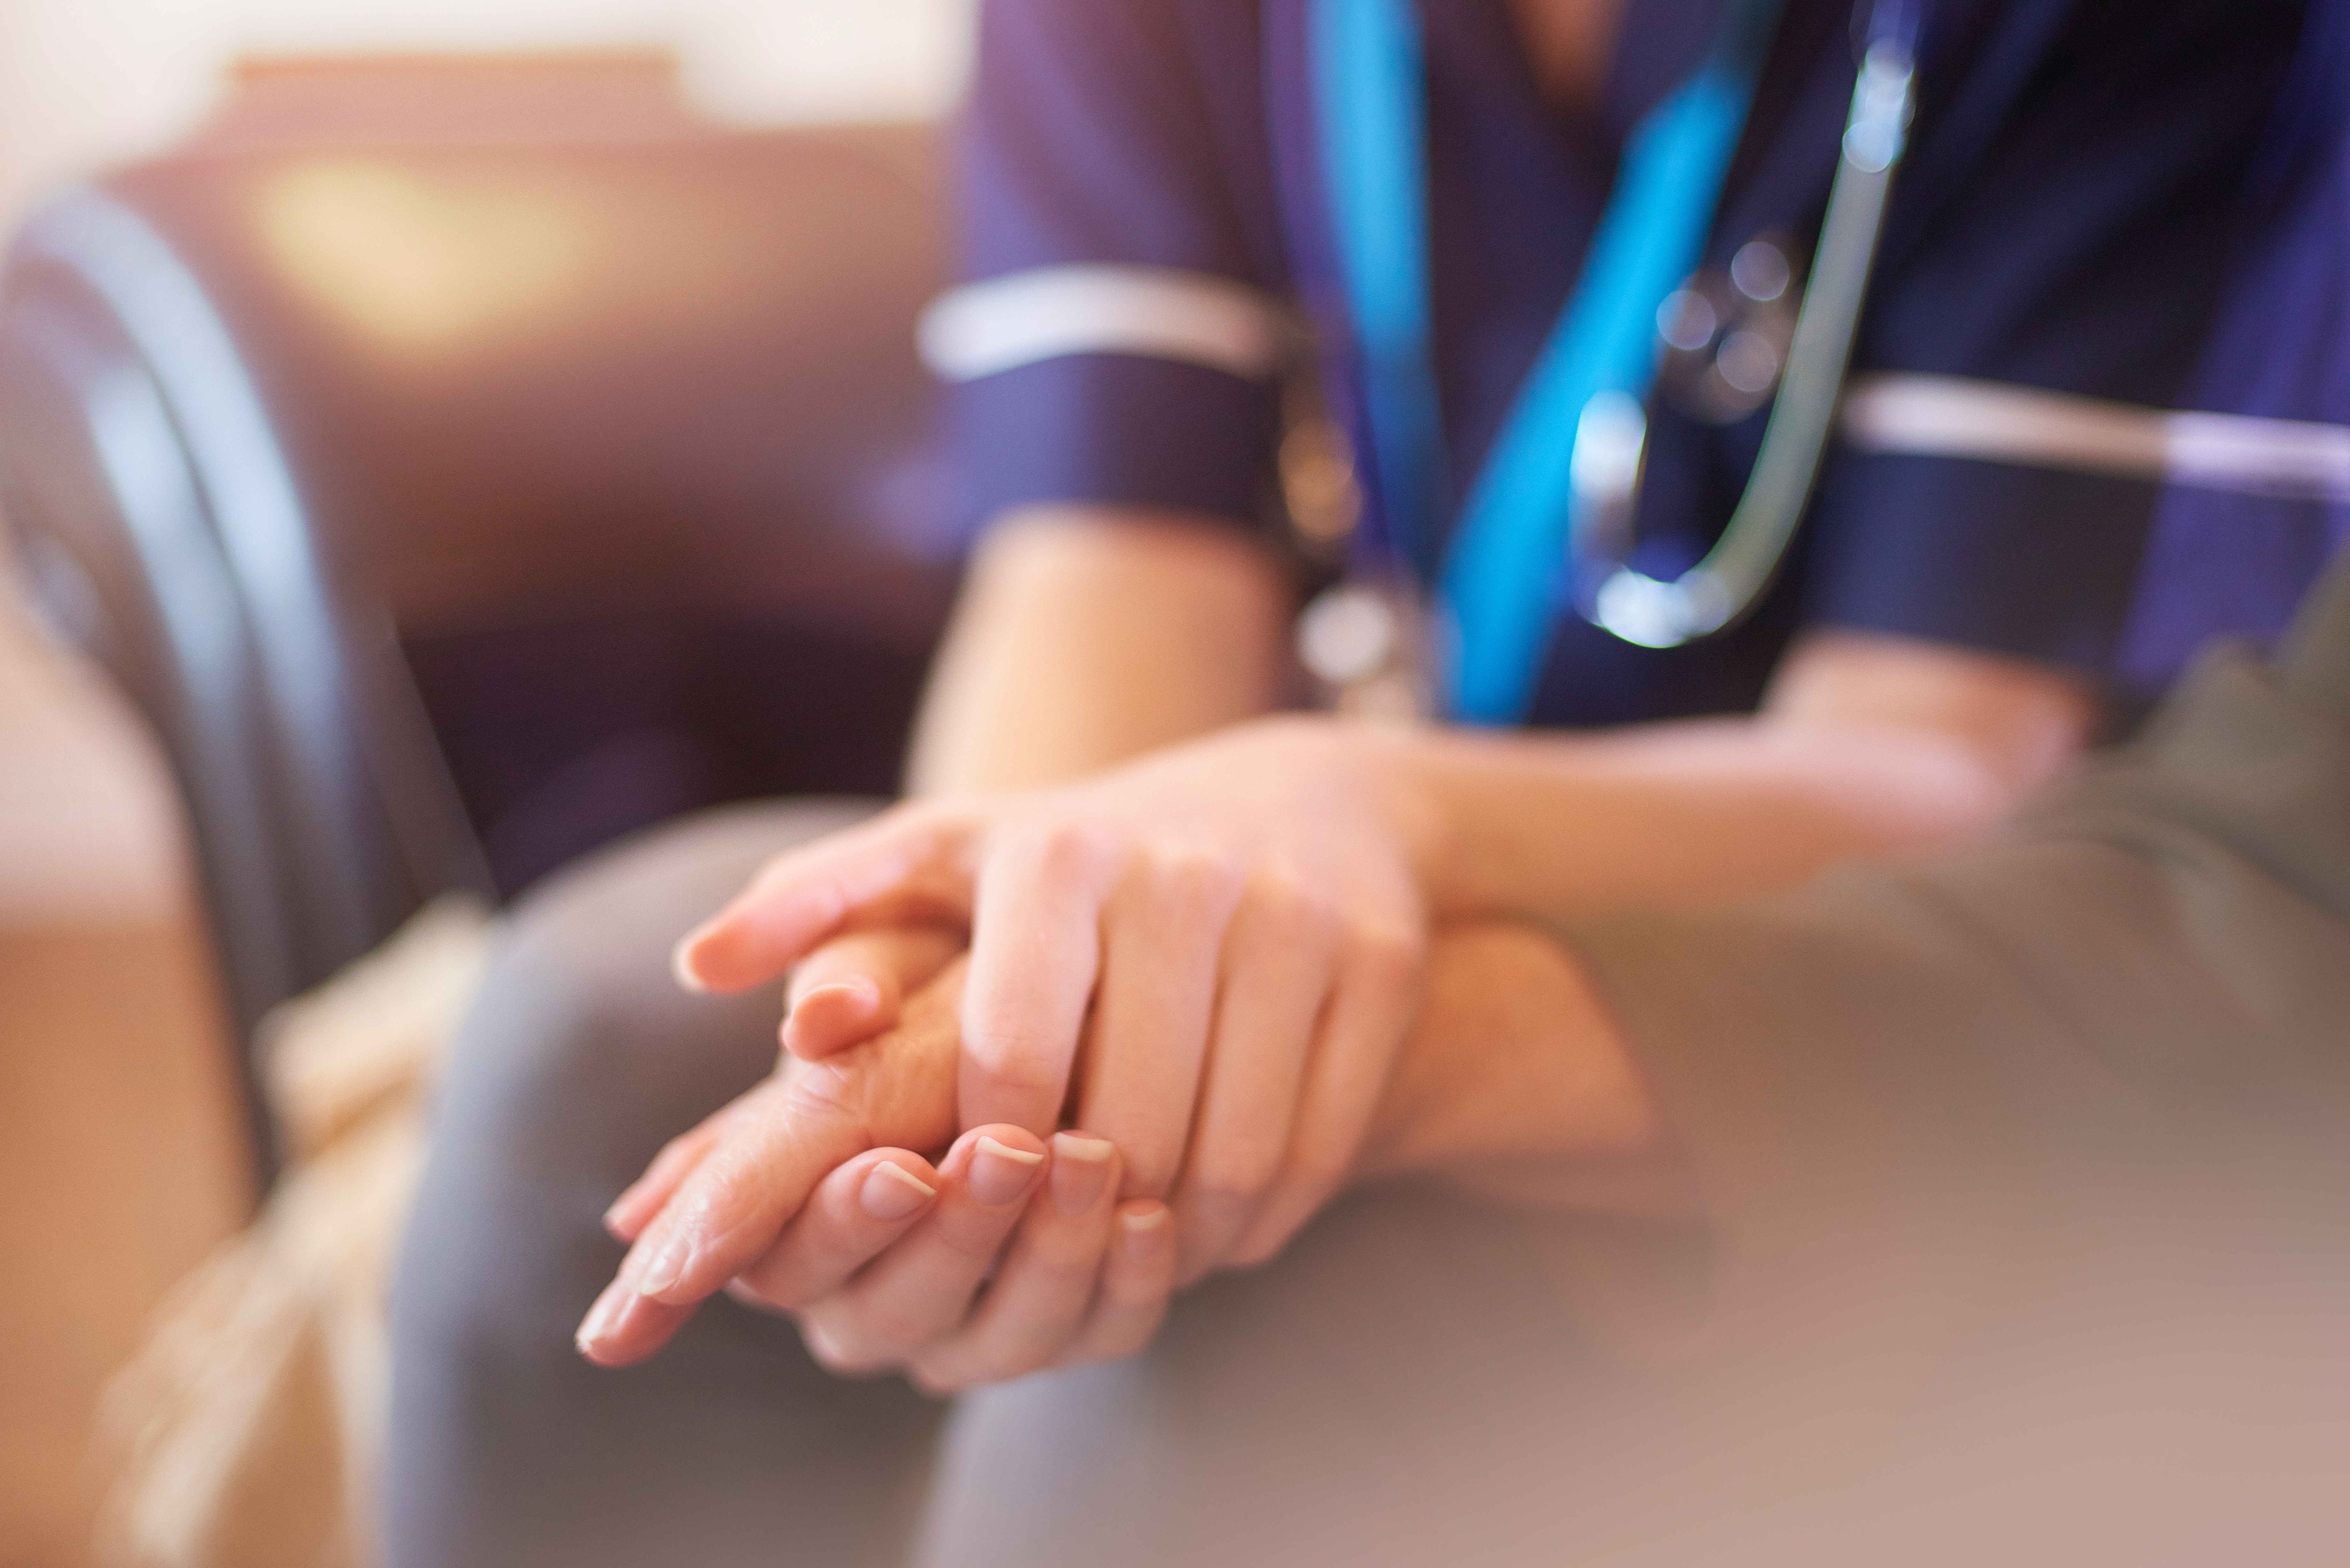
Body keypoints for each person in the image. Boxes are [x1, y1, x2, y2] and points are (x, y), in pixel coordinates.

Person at [383, 1, 2320, 1564]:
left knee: (1230, 1305)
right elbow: (1108, 563)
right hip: (1336, 823)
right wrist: (994, 1012)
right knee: (597, 1019)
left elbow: (1945, 764)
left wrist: (1361, 814)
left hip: (1865, 937)